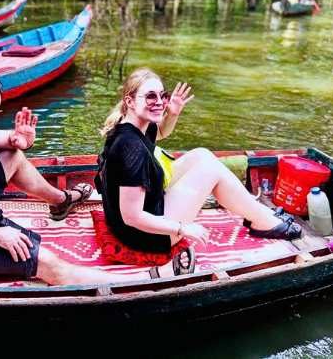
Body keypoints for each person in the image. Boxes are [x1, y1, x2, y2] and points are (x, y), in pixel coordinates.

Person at [0, 76, 179, 284]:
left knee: (12, 154)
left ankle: (61, 200)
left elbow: (9, 140)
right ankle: (144, 280)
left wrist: (22, 141)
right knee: (49, 263)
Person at [96, 68, 301, 256]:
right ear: (130, 101)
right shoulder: (131, 148)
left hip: (138, 214)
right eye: (150, 96)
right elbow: (132, 217)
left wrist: (173, 113)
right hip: (143, 236)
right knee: (211, 170)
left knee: (202, 154)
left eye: (162, 95)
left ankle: (257, 212)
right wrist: (182, 228)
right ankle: (263, 221)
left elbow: (160, 133)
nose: (159, 101)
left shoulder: (134, 124)